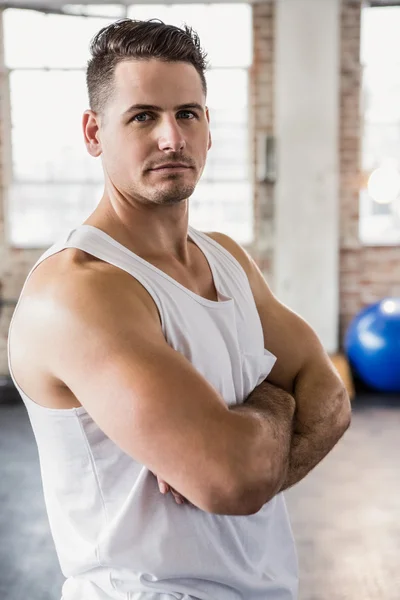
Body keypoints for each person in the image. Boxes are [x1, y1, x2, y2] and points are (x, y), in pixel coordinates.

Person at [7, 18, 351, 600]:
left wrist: (249, 439)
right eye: (143, 116)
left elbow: (333, 399)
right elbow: (233, 479)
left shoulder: (227, 260)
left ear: (209, 127)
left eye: (187, 113)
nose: (172, 138)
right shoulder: (78, 289)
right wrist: (277, 400)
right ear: (94, 133)